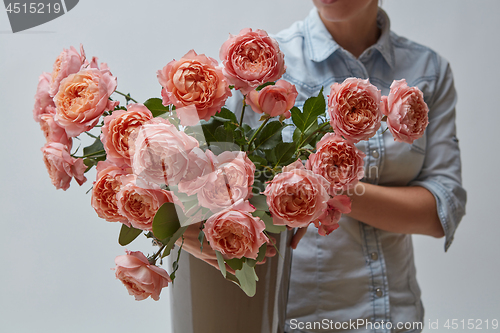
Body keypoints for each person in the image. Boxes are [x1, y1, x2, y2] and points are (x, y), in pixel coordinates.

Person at [177, 0, 466, 332]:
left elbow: (440, 211)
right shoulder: (257, 63)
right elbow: (172, 170)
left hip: (394, 317)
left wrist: (323, 189)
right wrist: (177, 228)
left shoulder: (428, 70)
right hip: (294, 319)